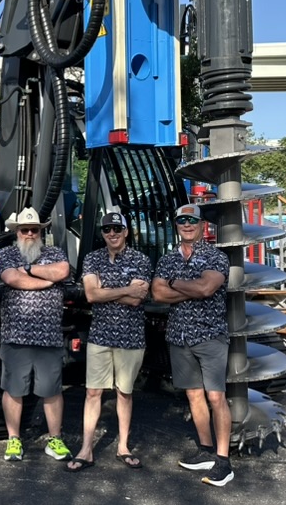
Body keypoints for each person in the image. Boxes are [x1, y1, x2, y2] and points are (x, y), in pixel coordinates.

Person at [152, 203, 234, 487]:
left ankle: (224, 461)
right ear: (176, 224)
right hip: (179, 335)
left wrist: (175, 282)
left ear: (202, 226)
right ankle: (206, 450)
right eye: (182, 221)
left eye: (192, 221)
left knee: (215, 397)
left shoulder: (216, 256)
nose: (187, 225)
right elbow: (158, 294)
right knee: (194, 396)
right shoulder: (167, 259)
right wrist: (189, 288)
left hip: (209, 335)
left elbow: (207, 288)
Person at [66, 211, 151, 472]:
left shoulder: (141, 260)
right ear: (102, 234)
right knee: (93, 392)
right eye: (107, 229)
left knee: (124, 393)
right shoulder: (92, 259)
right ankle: (86, 448)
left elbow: (138, 300)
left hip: (131, 337)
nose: (112, 233)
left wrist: (107, 292)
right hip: (100, 336)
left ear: (126, 231)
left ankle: (123, 446)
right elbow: (91, 295)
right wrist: (126, 289)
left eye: (117, 228)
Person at [0, 207, 72, 463]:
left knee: (52, 390)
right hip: (16, 335)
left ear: (41, 231)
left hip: (49, 335)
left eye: (34, 229)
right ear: (16, 231)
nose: (30, 233)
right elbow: (12, 279)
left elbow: (62, 272)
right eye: (25, 229)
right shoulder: (6, 253)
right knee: (14, 389)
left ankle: (55, 439)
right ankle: (14, 440)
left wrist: (27, 270)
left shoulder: (55, 252)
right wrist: (44, 277)